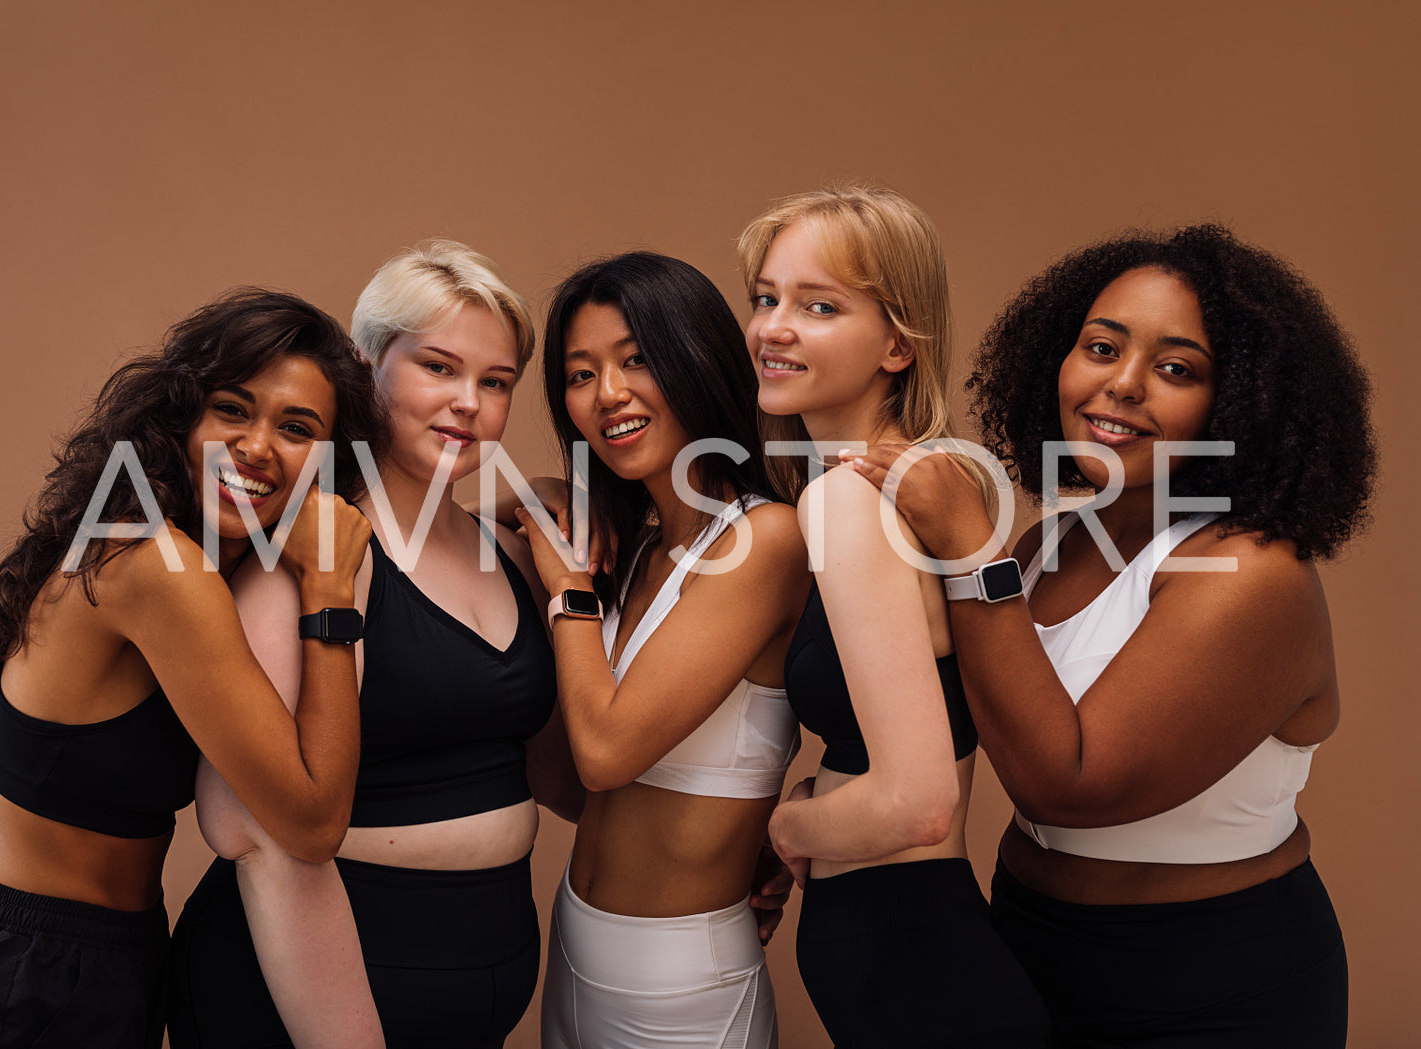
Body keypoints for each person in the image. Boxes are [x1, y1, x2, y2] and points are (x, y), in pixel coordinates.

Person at [846, 223, 1373, 1046]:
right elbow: (937, 740)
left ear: (1237, 403)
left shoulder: (1251, 572)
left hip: (1208, 982)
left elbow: (1067, 786)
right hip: (1026, 940)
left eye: (1174, 368)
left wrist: (967, 547)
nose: (1120, 385)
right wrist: (823, 831)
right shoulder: (1048, 544)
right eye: (1100, 347)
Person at [0, 289, 378, 1048]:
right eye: (233, 409)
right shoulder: (158, 565)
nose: (257, 445)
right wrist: (329, 592)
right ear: (182, 420)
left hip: (103, 964)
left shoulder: (192, 561)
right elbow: (312, 820)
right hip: (34, 982)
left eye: (296, 428)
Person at [168, 241, 580, 1049]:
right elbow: (249, 830)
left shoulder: (513, 551)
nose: (468, 402)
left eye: (494, 383)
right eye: (438, 367)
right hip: (313, 1002)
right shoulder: (309, 553)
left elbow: (558, 767)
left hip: (476, 985)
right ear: (364, 367)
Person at [739, 185, 1051, 1046]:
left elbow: (915, 804)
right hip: (912, 945)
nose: (773, 326)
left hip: (914, 961)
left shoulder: (850, 499)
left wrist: (782, 822)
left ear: (896, 342)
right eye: (765, 297)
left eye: (818, 304)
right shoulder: (930, 478)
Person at [519, 252, 809, 1049]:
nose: (607, 393)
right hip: (573, 941)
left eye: (636, 358)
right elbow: (576, 788)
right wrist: (542, 500)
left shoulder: (763, 539)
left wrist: (567, 590)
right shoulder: (636, 552)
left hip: (680, 984)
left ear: (697, 359)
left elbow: (607, 750)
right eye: (580, 373)